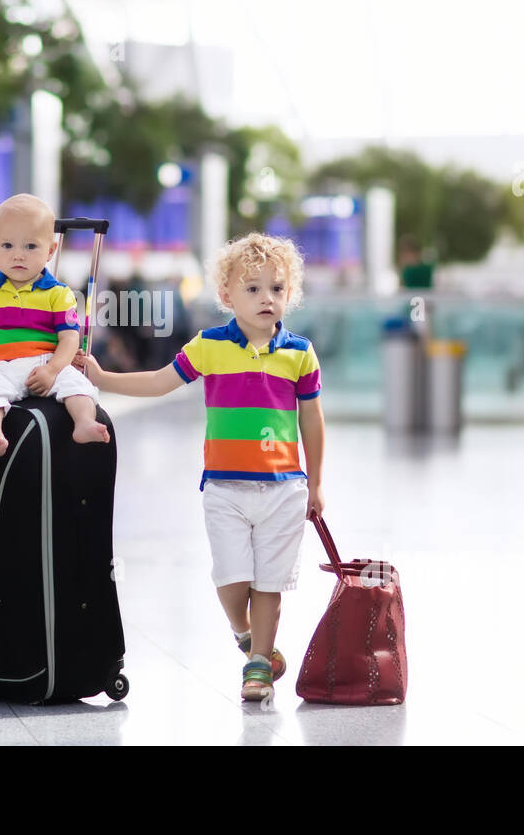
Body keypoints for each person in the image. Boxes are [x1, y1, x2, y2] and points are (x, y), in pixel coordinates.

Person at [76, 233, 325, 702]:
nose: (266, 298)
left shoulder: (300, 353)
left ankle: (257, 666)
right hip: (226, 488)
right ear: (227, 295)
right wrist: (103, 377)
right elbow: (158, 381)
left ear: (289, 294)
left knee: (270, 582)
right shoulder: (210, 346)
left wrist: (316, 483)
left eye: (276, 288)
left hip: (284, 487)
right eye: (252, 289)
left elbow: (312, 417)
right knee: (232, 580)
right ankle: (246, 634)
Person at [0, 193, 109, 457]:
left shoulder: (58, 293)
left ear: (50, 251)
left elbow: (69, 340)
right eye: (7, 246)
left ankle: (84, 422)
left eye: (30, 247)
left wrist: (53, 369)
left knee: (76, 383)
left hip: (44, 363)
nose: (18, 255)